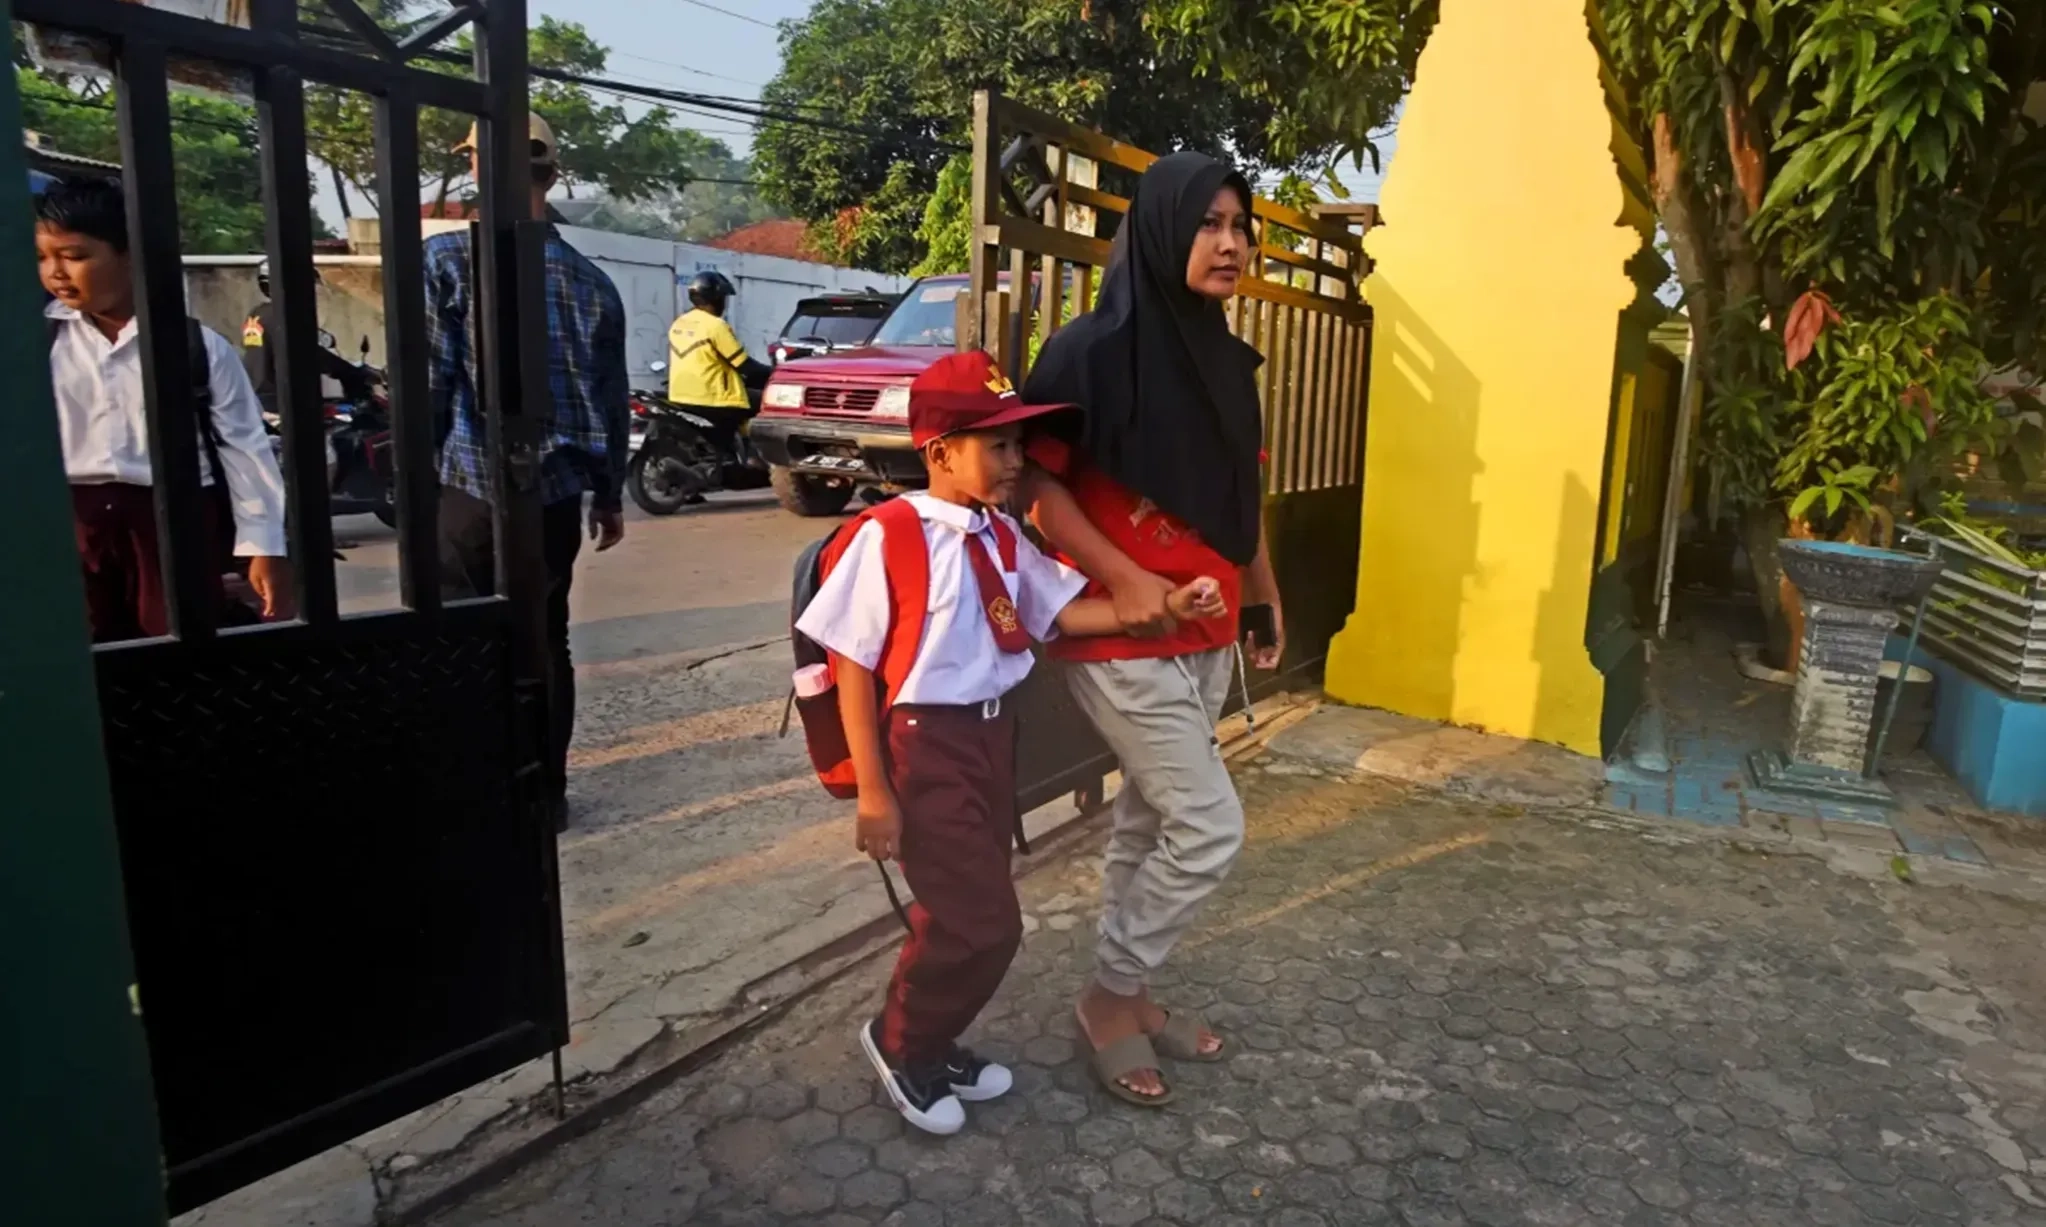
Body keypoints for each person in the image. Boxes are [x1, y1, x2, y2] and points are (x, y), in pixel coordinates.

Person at [794, 349, 1224, 1134]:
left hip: (990, 741)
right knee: (983, 922)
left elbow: (1054, 615)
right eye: (997, 444)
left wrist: (1161, 604)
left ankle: (934, 1038)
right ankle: (900, 1043)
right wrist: (873, 790)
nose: (1015, 460)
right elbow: (851, 662)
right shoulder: (891, 533)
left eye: (1020, 445)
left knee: (965, 909)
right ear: (939, 452)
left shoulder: (997, 537)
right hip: (924, 745)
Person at [1020, 151, 1284, 1105]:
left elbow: (1239, 497)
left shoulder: (1229, 361)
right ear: (1167, 229)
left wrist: (1262, 592)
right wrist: (1127, 576)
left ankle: (1130, 997)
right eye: (1210, 223)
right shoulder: (1086, 350)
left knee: (1148, 816)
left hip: (1205, 638)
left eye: (1240, 225)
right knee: (1210, 826)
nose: (1231, 242)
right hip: (1120, 638)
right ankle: (1109, 994)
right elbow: (1035, 484)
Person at [426, 113, 630, 831]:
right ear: (551, 173)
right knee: (545, 637)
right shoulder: (593, 283)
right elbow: (610, 402)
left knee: (463, 639)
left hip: (468, 489)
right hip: (552, 498)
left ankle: (478, 785)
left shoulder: (449, 262)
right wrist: (609, 495)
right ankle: (545, 791)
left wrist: (418, 488)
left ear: (483, 169)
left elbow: (434, 383)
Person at [39, 176, 295, 642]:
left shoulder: (195, 347)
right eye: (44, 258)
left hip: (173, 523)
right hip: (71, 524)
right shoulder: (41, 343)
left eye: (74, 256)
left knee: (178, 650)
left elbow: (244, 447)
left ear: (128, 256)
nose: (56, 272)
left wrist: (264, 546)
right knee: (82, 656)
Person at [241, 259, 374, 415]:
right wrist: (351, 372)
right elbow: (313, 354)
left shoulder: (257, 314)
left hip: (257, 400)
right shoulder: (285, 316)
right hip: (284, 405)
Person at [665, 270, 772, 408]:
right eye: (723, 298)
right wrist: (775, 373)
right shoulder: (715, 326)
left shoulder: (678, 323)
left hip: (679, 396)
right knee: (764, 403)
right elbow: (745, 367)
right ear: (716, 299)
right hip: (715, 400)